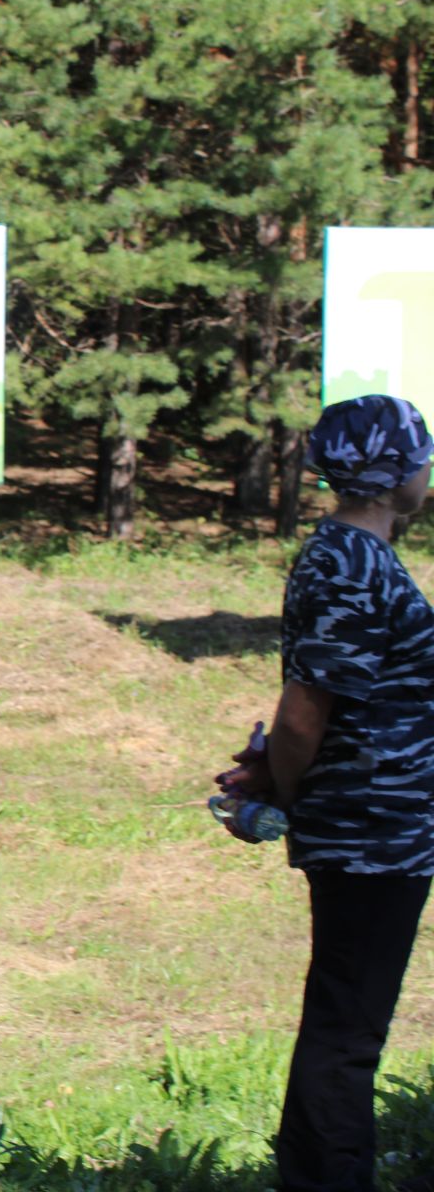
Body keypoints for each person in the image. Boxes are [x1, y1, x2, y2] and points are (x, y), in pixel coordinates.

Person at [218, 394, 434, 1192]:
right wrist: (286, 783)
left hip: (382, 824)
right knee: (349, 1031)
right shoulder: (348, 559)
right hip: (371, 831)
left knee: (344, 1019)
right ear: (391, 473)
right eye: (420, 456)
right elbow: (308, 709)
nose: (426, 470)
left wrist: (279, 772)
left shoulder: (356, 555)